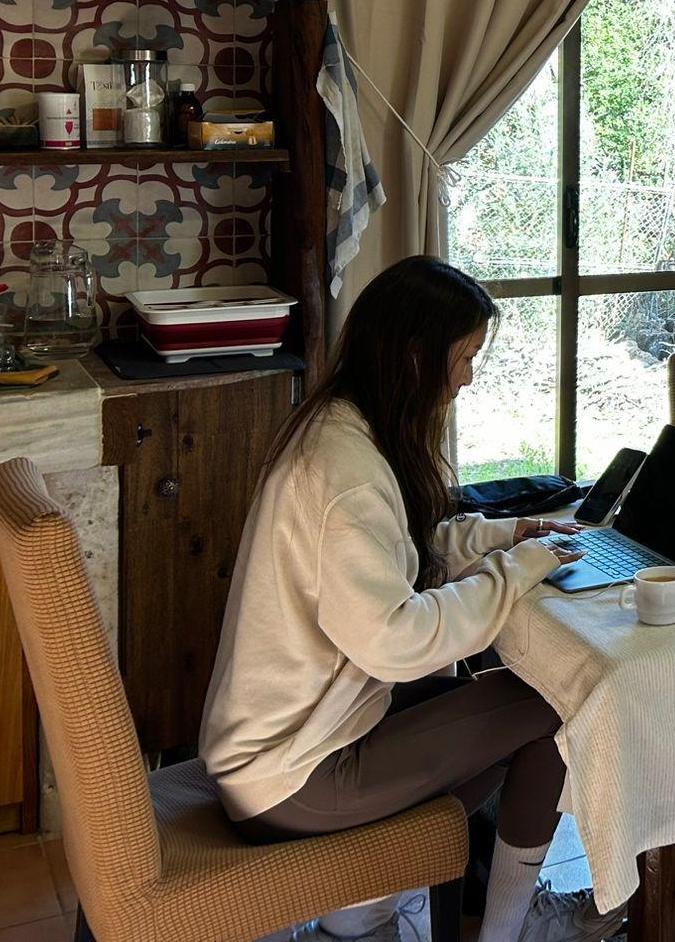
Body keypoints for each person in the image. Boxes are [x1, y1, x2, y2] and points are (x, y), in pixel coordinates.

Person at [200, 257, 620, 942]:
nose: (469, 378)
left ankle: (377, 903)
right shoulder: (345, 475)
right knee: (559, 703)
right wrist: (517, 570)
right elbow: (399, 641)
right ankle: (505, 929)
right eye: (465, 358)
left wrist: (508, 535)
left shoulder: (343, 428)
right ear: (416, 355)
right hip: (295, 773)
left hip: (291, 741)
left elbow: (405, 549)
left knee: (526, 696)